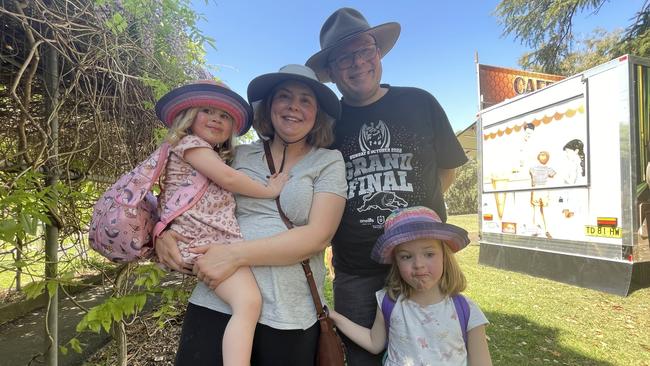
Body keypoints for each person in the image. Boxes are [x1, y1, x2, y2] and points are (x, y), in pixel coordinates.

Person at [155, 64, 347, 366]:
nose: (294, 106)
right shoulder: (238, 155)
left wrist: (233, 255)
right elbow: (185, 195)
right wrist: (162, 233)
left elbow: (318, 235)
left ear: (317, 113)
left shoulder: (328, 161)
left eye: (305, 100)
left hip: (289, 312)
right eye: (284, 96)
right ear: (269, 107)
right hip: (217, 300)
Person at [306, 7, 468, 364]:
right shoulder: (325, 125)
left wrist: (417, 223)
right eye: (344, 57)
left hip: (422, 262)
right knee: (364, 357)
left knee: (438, 355)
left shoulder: (419, 102)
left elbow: (445, 172)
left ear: (378, 53)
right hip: (357, 272)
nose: (358, 62)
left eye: (366, 50)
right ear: (331, 72)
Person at [154, 80, 289, 365]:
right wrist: (270, 190)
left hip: (205, 239)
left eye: (224, 115)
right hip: (202, 241)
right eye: (206, 110)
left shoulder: (206, 152)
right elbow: (229, 179)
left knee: (247, 303)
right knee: (248, 303)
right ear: (189, 118)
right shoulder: (192, 145)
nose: (216, 118)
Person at [329, 206, 492, 365]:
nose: (418, 264)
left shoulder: (466, 310)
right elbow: (374, 343)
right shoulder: (388, 302)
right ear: (396, 263)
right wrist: (333, 316)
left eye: (429, 254)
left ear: (445, 256)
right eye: (406, 257)